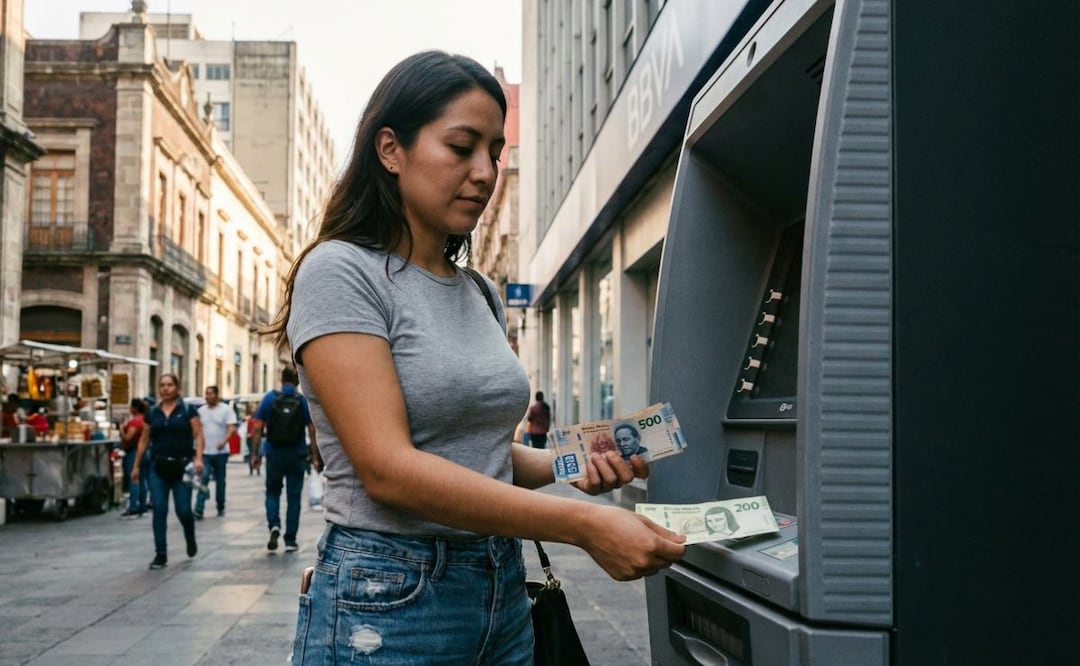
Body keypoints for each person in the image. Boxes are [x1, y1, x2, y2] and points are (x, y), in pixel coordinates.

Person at [266, 51, 686, 664]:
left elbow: (483, 456)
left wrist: (592, 451)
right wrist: (582, 526)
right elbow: (388, 468)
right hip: (391, 602)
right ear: (391, 150)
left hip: (501, 590)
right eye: (461, 147)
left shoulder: (481, 291)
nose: (485, 172)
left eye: (494, 151)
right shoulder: (340, 271)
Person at [131, 373, 204, 569]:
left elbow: (198, 434)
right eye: (162, 385)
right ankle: (160, 554)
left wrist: (198, 458)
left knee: (183, 511)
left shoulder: (188, 410)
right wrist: (136, 465)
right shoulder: (152, 413)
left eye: (169, 385)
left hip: (181, 467)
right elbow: (144, 440)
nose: (165, 388)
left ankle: (189, 535)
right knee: (159, 509)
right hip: (158, 467)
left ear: (177, 387)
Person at [249, 366, 319, 553]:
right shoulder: (302, 400)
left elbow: (257, 428)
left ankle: (274, 525)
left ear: (281, 379)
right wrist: (314, 455)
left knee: (272, 492)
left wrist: (255, 454)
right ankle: (290, 540)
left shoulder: (270, 398)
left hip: (274, 453)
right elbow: (312, 429)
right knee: (294, 498)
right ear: (297, 382)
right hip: (296, 454)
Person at [193, 385, 237, 519]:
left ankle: (220, 505)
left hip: (221, 452)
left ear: (217, 395)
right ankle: (199, 508)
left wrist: (224, 440)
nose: (208, 396)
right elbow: (196, 430)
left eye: (210, 393)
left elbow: (231, 428)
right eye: (206, 394)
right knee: (203, 479)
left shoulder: (226, 410)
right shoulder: (200, 411)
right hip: (205, 452)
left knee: (220, 480)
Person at [119, 399, 148, 518]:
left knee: (134, 479)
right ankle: (142, 505)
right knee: (142, 479)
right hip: (145, 451)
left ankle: (133, 506)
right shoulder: (145, 420)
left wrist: (121, 429)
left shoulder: (135, 422)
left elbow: (128, 437)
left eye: (130, 407)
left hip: (134, 451)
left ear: (135, 408)